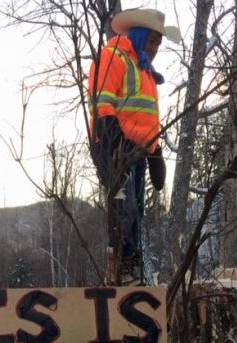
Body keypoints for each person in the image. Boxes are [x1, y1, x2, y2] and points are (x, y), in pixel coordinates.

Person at [88, 8, 181, 286]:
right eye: (151, 41)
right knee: (123, 211)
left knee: (136, 215)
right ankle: (118, 272)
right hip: (114, 149)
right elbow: (101, 105)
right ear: (138, 35)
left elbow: (147, 119)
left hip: (138, 153)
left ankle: (130, 271)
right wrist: (116, 145)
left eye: (157, 44)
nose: (153, 49)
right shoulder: (113, 57)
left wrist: (156, 152)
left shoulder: (146, 72)